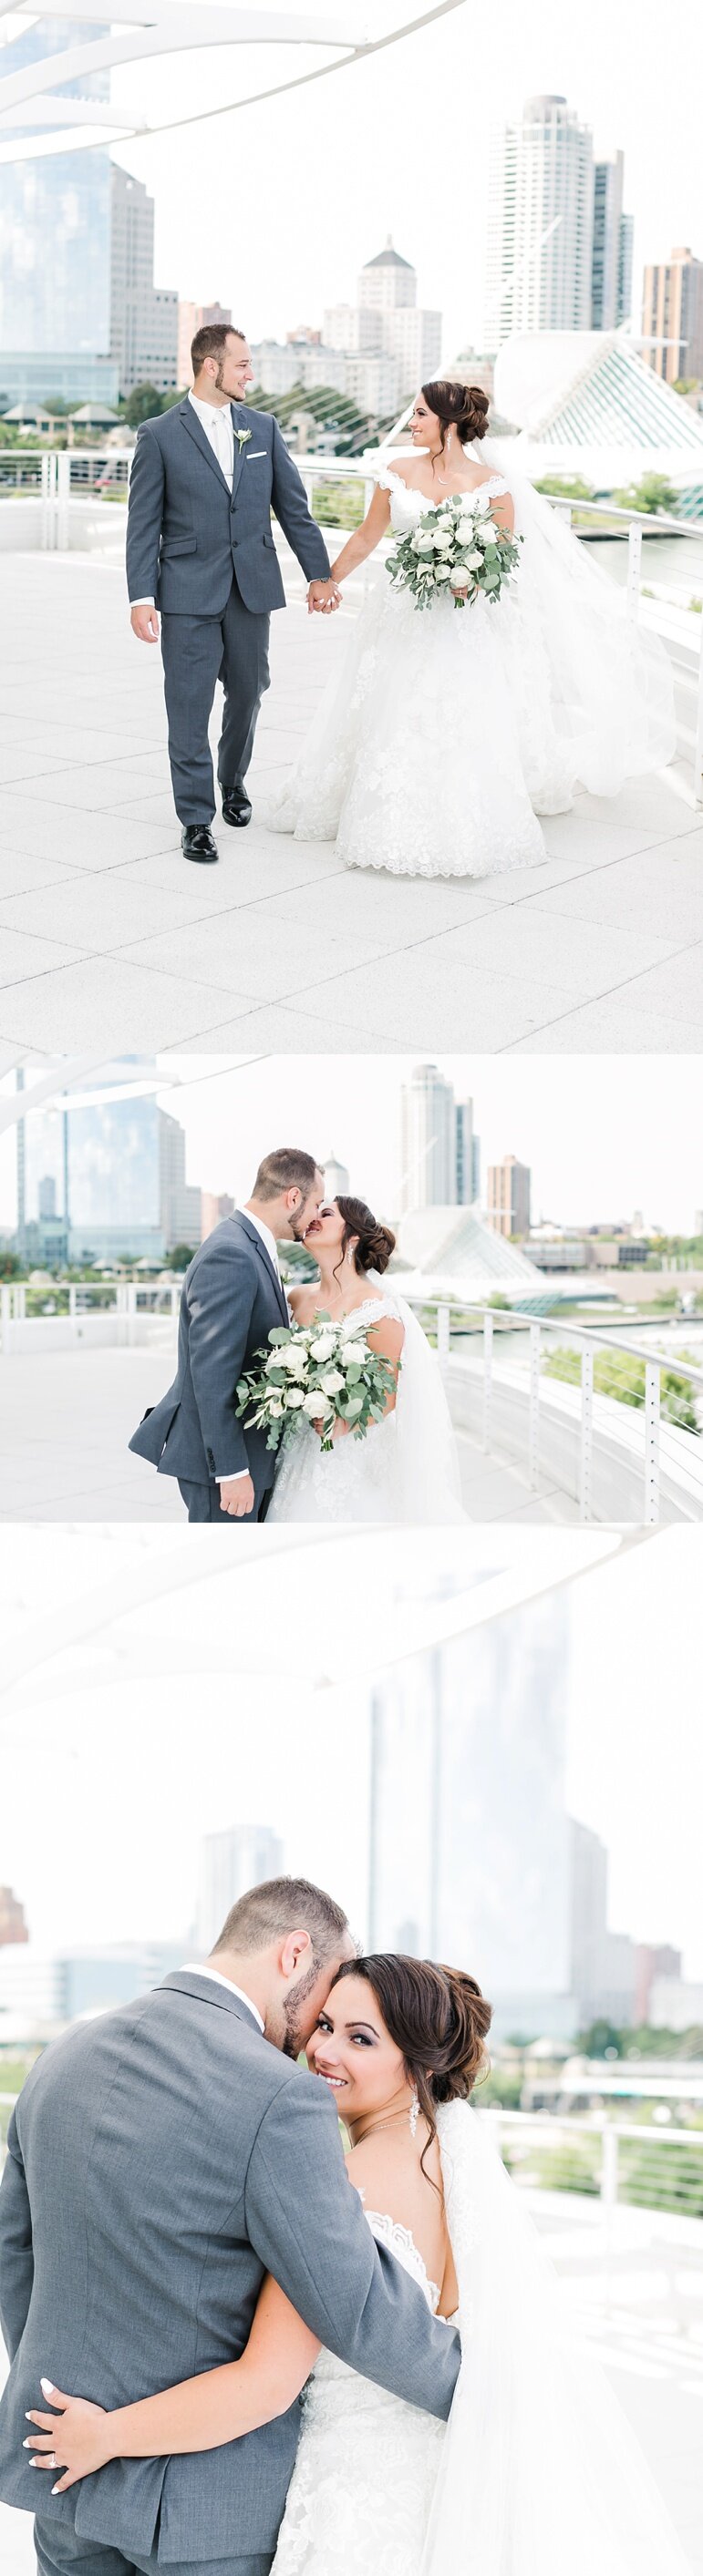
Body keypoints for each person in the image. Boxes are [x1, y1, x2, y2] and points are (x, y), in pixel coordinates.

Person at [19, 1954, 694, 2576]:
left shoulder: (341, 2183)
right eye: (323, 2025)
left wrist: (105, 2434)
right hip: (437, 2488)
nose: (322, 2050)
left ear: (418, 2064)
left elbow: (265, 2381)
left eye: (360, 2038)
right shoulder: (450, 2166)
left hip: (351, 2506)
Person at [0, 1890, 460, 2576]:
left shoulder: (63, 2055)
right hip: (205, 2512)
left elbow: (16, 2249)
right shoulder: (279, 2094)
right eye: (320, 2011)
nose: (311, 2041)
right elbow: (352, 2302)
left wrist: (57, 2396)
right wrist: (483, 2390)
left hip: (65, 2470)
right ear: (294, 1953)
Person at [267, 378, 676, 879]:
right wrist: (328, 580)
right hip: (403, 611)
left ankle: (462, 812)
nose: (411, 423)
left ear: (450, 423)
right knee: (391, 700)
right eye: (413, 414)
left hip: (464, 618)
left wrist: (470, 581)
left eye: (420, 414)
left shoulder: (493, 485)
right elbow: (369, 534)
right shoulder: (394, 472)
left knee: (460, 707)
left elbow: (503, 556)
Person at [126, 323, 340, 865]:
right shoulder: (159, 433)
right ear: (210, 366)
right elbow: (142, 523)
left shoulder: (262, 428)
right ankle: (196, 819)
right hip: (186, 592)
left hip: (251, 588)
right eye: (243, 364)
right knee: (188, 706)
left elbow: (293, 508)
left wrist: (320, 574)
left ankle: (233, 780)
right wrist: (140, 597)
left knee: (248, 693)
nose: (251, 374)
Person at [128, 1149, 325, 1522]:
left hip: (249, 1457)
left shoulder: (247, 1243)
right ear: (293, 1197)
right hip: (226, 1467)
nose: (317, 1215)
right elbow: (211, 1374)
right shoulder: (231, 1254)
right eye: (317, 1203)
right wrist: (231, 1471)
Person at [266, 1196, 465, 1524]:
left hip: (350, 1453)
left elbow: (387, 1395)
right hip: (296, 1447)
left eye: (326, 1214)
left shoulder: (378, 1308)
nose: (314, 1218)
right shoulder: (296, 1297)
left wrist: (342, 1423)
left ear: (353, 1236)